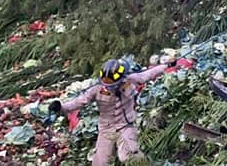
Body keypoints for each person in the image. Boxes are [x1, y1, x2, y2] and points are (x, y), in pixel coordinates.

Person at [49, 57, 188, 165]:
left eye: (113, 84)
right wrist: (60, 107)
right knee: (100, 161)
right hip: (106, 129)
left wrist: (167, 65)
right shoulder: (96, 89)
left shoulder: (130, 80)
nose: (110, 87)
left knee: (128, 156)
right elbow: (77, 102)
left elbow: (148, 74)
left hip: (125, 125)